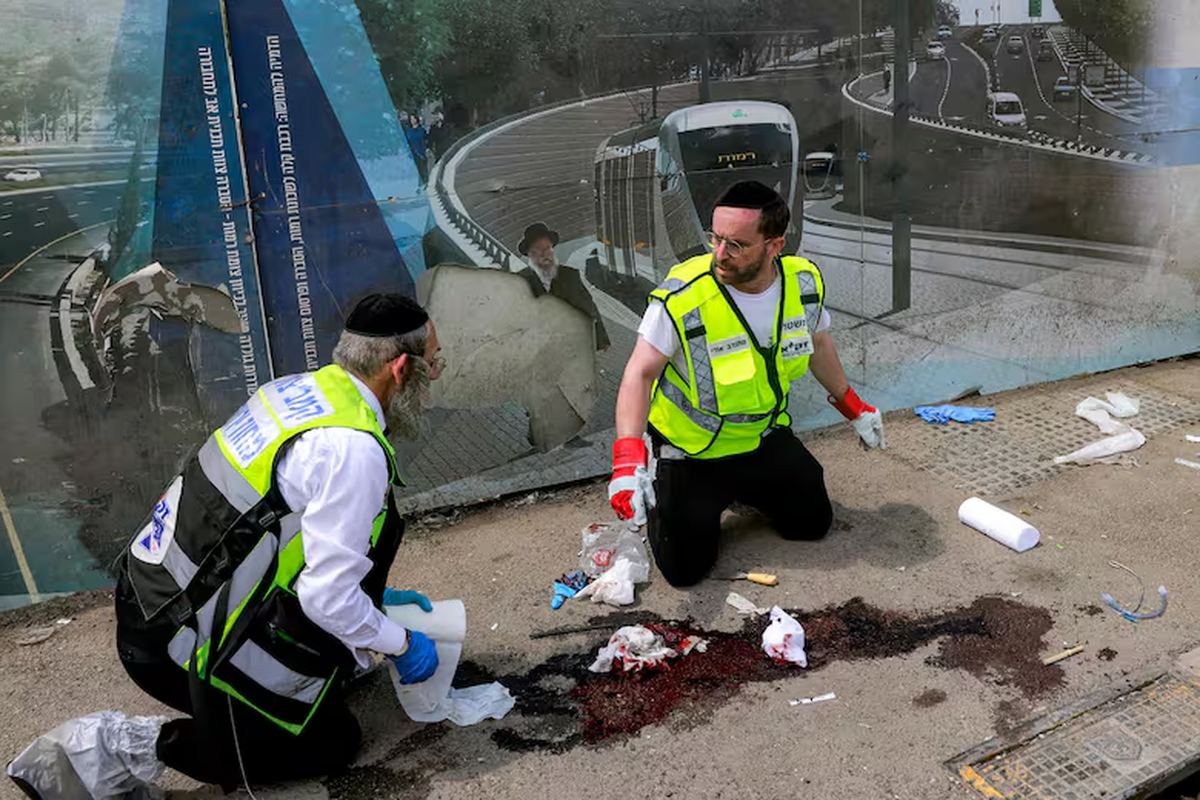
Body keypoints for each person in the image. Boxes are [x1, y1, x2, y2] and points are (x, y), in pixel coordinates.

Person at [113, 293, 446, 789]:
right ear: (400, 369)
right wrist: (398, 642)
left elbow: (271, 531)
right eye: (433, 364)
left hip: (151, 596)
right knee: (331, 742)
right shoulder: (352, 450)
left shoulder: (295, 392)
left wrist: (371, 603)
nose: (435, 375)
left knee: (331, 676)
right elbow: (325, 596)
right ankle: (127, 746)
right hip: (176, 641)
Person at [607, 181, 885, 587]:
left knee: (812, 524)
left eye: (736, 244)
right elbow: (639, 373)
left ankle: (740, 494)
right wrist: (627, 462)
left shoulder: (803, 284)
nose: (720, 254)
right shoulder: (682, 297)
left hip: (760, 437)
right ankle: (664, 496)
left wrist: (854, 408)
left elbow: (818, 344)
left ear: (775, 246)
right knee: (685, 572)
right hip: (694, 451)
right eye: (715, 239)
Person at [516, 222, 611, 351]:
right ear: (530, 254)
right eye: (539, 250)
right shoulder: (520, 281)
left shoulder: (570, 276)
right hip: (535, 346)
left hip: (568, 343)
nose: (545, 254)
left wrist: (601, 339)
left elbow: (588, 305)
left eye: (548, 249)